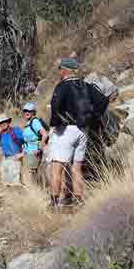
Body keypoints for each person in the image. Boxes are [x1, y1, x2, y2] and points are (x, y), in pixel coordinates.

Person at [48, 57, 94, 208]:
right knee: (76, 168)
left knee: (57, 168)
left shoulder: (62, 86)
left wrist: (55, 125)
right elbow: (102, 102)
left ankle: (54, 204)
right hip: (83, 130)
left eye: (60, 69)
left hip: (66, 130)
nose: (59, 72)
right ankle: (79, 201)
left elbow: (55, 107)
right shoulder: (86, 85)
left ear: (65, 70)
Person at [21, 102, 49, 180]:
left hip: (36, 152)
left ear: (33, 112)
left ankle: (39, 190)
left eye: (29, 111)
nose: (27, 112)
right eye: (25, 111)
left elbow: (45, 134)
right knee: (34, 174)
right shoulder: (28, 123)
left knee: (35, 175)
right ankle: (37, 190)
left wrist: (39, 149)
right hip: (31, 152)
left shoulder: (35, 122)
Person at [0, 113, 24, 186]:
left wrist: (22, 153)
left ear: (8, 122)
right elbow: (2, 147)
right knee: (6, 183)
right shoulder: (1, 134)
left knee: (16, 183)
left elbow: (26, 141)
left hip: (15, 160)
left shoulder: (16, 130)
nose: (2, 124)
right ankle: (10, 197)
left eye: (4, 122)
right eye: (0, 123)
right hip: (6, 160)